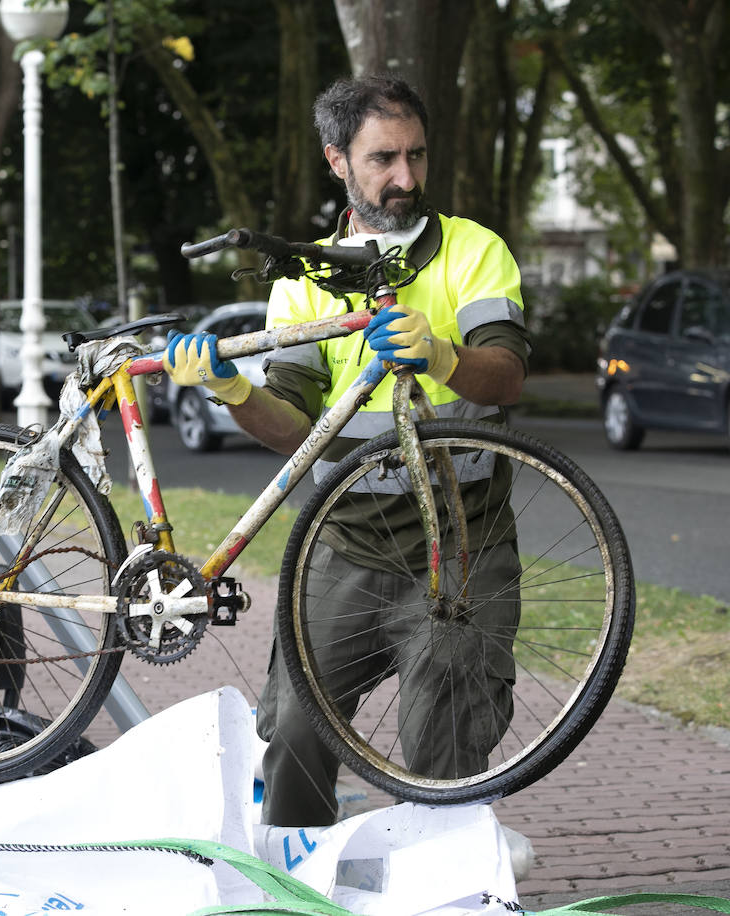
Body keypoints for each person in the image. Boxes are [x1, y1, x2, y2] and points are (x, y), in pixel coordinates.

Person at [162, 74, 531, 827]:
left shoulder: (473, 250)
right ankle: (294, 888)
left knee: (444, 750)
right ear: (337, 161)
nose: (405, 177)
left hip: (461, 545)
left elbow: (508, 377)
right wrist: (232, 390)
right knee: (295, 737)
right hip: (348, 545)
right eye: (383, 159)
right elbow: (294, 428)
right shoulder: (305, 280)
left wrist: (444, 355)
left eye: (417, 156)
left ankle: (447, 898)